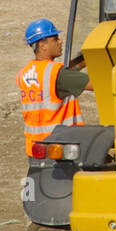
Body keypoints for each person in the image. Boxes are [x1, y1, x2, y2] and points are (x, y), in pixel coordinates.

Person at [16, 19, 90, 154]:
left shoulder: (24, 73)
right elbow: (93, 84)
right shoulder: (56, 73)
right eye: (55, 39)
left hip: (36, 148)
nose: (60, 42)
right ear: (43, 45)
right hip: (61, 148)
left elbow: (65, 77)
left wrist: (85, 59)